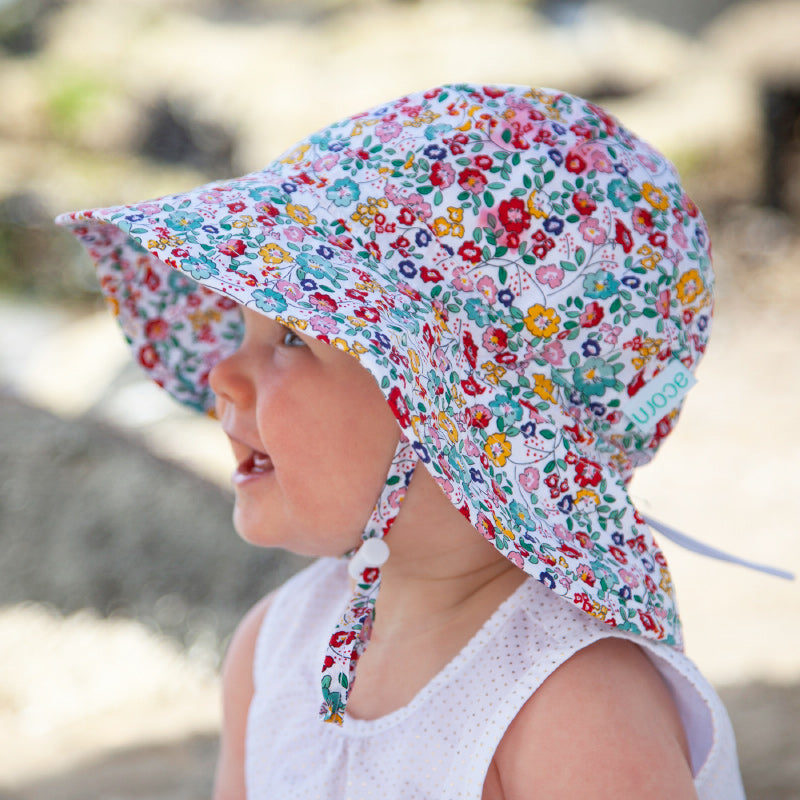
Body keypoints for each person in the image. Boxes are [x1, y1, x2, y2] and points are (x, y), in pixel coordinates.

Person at [57, 83, 748, 798]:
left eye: (292, 335)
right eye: (242, 327)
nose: (223, 372)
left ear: (447, 412)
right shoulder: (273, 647)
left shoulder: (571, 697)